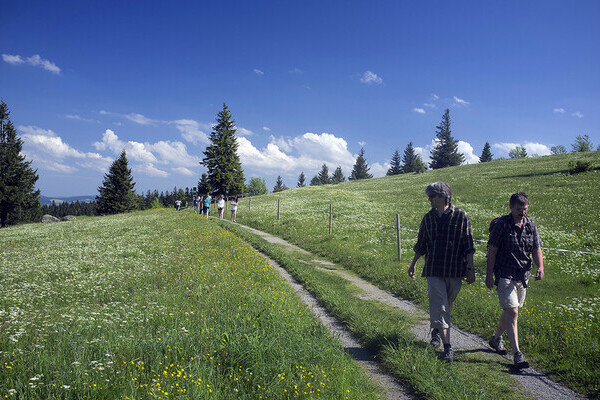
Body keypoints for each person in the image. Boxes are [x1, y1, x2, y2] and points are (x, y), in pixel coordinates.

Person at [408, 182, 475, 362]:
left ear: (443, 196)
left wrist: (470, 268)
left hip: (454, 270)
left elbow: (468, 245)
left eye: (432, 196)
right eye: (429, 196)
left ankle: (436, 332)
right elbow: (421, 244)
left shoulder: (461, 216)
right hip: (434, 269)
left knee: (446, 305)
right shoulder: (427, 218)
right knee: (441, 305)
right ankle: (448, 347)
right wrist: (413, 263)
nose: (429, 199)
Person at [486, 191, 544, 370]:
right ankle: (517, 354)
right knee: (513, 312)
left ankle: (496, 339)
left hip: (523, 275)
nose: (522, 212)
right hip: (505, 274)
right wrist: (489, 274)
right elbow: (492, 250)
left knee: (512, 311)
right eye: (519, 209)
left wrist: (540, 266)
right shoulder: (502, 225)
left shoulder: (530, 225)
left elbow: (536, 247)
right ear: (511, 207)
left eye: (525, 209)